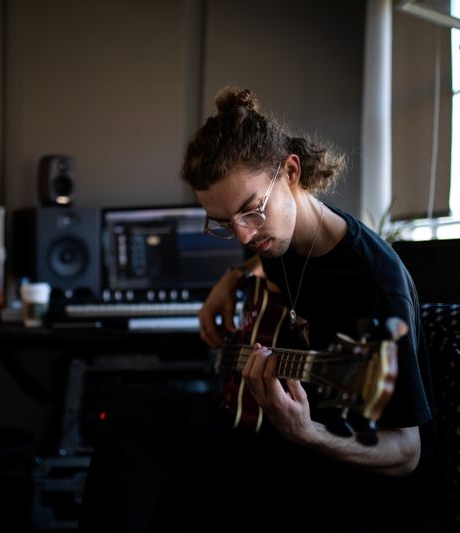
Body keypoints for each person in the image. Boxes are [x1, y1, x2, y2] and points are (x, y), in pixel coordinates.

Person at [78, 86, 437, 532]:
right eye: (225, 223)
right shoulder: (279, 239)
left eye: (251, 211)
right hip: (281, 440)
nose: (245, 235)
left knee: (159, 471)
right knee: (135, 410)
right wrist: (234, 279)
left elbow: (407, 452)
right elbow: (266, 257)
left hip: (344, 477)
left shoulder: (376, 288)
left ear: (290, 171)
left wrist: (310, 433)